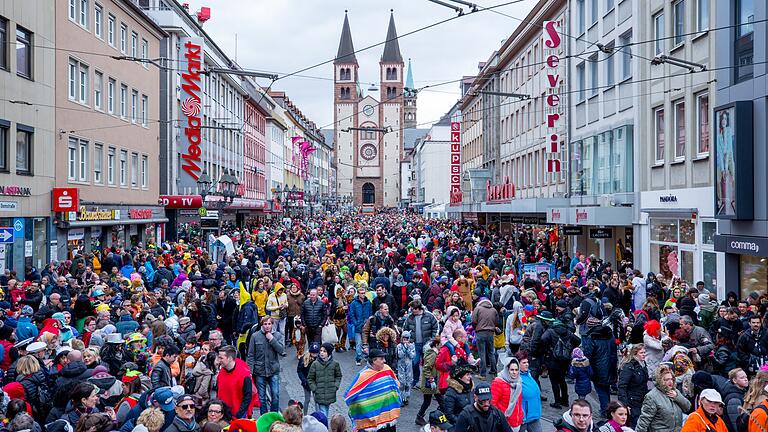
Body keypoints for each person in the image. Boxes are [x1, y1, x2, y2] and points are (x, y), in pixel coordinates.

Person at [344, 349, 401, 432]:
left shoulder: (387, 369)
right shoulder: (363, 375)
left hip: (389, 419)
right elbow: (349, 395)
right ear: (374, 361)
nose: (384, 361)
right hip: (372, 424)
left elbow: (396, 385)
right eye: (381, 359)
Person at [635, 365, 691, 432]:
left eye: (671, 379)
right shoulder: (652, 396)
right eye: (667, 379)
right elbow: (644, 421)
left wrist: (677, 397)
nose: (670, 382)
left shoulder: (675, 392)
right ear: (660, 380)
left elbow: (688, 407)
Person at [246, 317, 284, 414]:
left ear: (272, 324)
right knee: (261, 397)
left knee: (275, 395)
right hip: (260, 370)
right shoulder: (255, 336)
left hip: (273, 370)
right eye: (265, 324)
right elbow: (250, 355)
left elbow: (281, 350)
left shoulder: (277, 335)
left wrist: (272, 339)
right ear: (262, 325)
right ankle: (264, 416)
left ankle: (274, 415)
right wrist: (249, 372)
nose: (267, 326)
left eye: (269, 324)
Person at [216, 345, 255, 419]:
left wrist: (239, 414)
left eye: (221, 358)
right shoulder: (221, 372)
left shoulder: (244, 375)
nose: (218, 360)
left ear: (230, 358)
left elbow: (247, 397)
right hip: (223, 414)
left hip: (238, 415)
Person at [618, 344, 649, 428]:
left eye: (644, 352)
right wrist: (625, 404)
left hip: (641, 399)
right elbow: (622, 386)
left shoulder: (643, 364)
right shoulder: (629, 367)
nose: (644, 354)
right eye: (641, 353)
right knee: (634, 424)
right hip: (632, 401)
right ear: (635, 354)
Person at [308, 342, 342, 417]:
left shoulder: (335, 364)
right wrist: (314, 389)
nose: (322, 353)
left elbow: (338, 376)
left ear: (329, 353)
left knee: (326, 409)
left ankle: (323, 425)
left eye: (324, 351)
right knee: (323, 412)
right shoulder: (315, 364)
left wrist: (335, 386)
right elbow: (310, 378)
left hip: (330, 393)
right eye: (321, 351)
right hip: (319, 393)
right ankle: (324, 426)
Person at [416, 338, 443, 427]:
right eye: (440, 344)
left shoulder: (434, 353)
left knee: (428, 401)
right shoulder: (433, 354)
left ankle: (420, 417)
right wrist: (431, 380)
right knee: (440, 402)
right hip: (430, 383)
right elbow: (426, 368)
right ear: (436, 345)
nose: (441, 346)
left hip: (432, 382)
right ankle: (440, 419)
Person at [491, 357, 524, 430]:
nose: (514, 372)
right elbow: (492, 404)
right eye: (512, 370)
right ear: (507, 370)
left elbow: (518, 402)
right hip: (505, 423)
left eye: (516, 370)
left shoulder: (519, 381)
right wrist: (501, 418)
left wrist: (521, 415)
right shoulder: (498, 382)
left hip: (516, 422)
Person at [518, 351, 543, 432]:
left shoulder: (528, 374)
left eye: (527, 362)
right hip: (524, 418)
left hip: (534, 415)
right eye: (524, 362)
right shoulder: (516, 378)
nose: (527, 364)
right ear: (518, 364)